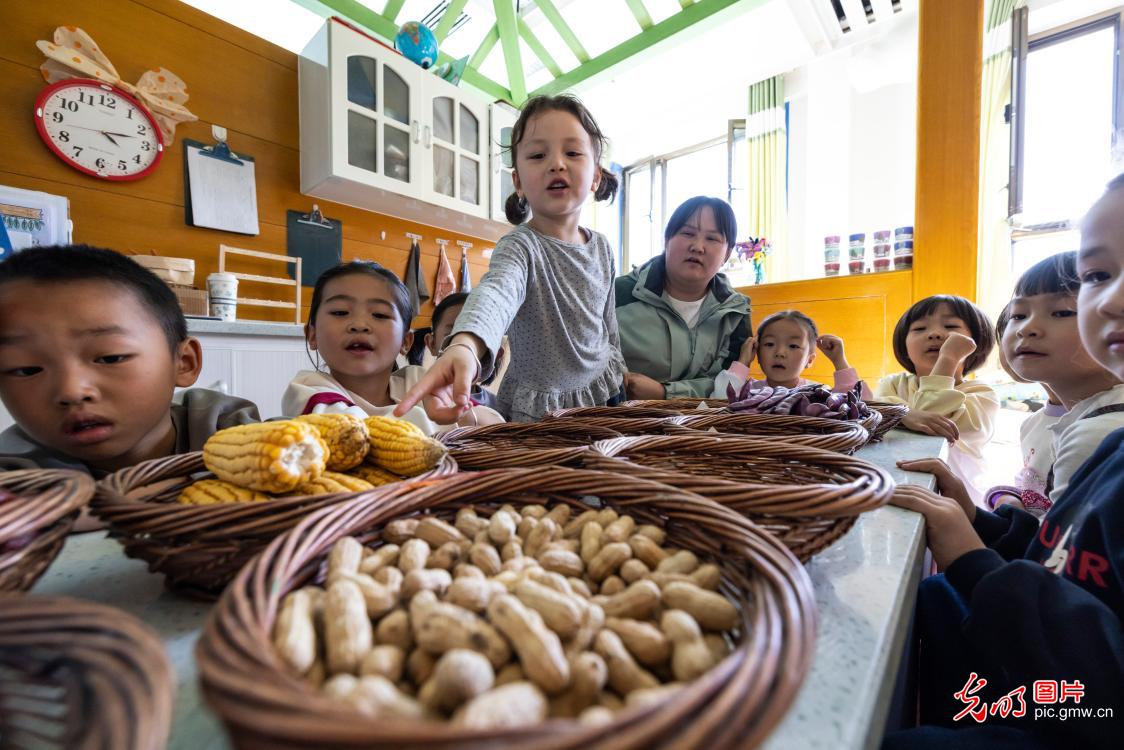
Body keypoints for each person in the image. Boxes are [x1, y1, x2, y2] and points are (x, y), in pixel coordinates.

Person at [881, 175, 1124, 750]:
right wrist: (977, 521)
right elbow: (1059, 548)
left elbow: (1098, 687)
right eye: (1098, 276)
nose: (1111, 300)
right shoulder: (1091, 436)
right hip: (1056, 665)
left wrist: (972, 558)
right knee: (935, 599)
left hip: (1085, 706)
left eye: (1060, 310)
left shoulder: (1099, 430)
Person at [395, 94, 625, 423]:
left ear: (596, 177)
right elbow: (496, 293)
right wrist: (465, 345)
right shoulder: (520, 246)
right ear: (517, 181)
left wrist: (622, 370)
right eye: (538, 155)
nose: (557, 164)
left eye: (572, 152)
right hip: (543, 411)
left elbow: (609, 326)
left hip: (606, 390)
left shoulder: (602, 247)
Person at [0, 245, 259, 477]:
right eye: (26, 369)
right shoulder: (13, 478)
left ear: (184, 362)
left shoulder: (232, 430)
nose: (72, 391)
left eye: (110, 357)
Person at [282, 262, 500, 433]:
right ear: (312, 335)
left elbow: (493, 423)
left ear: (406, 342)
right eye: (340, 312)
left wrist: (464, 413)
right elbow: (356, 436)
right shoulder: (309, 389)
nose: (359, 325)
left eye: (379, 315)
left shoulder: (417, 380)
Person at [615, 196, 750, 399]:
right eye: (687, 233)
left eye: (712, 238)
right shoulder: (618, 295)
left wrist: (664, 393)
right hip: (618, 417)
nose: (698, 247)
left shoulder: (735, 312)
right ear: (666, 240)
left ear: (727, 254)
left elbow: (728, 386)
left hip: (704, 420)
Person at [875, 295, 999, 505]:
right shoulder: (893, 383)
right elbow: (876, 414)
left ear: (975, 343)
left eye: (951, 326)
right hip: (897, 486)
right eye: (919, 328)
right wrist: (907, 414)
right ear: (904, 345)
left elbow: (931, 421)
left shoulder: (981, 393)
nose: (934, 334)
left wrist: (948, 358)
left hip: (958, 504)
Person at [709, 310, 872, 398]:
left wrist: (840, 362)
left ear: (809, 360)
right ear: (756, 353)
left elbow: (862, 403)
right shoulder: (748, 390)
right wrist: (743, 361)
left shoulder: (817, 392)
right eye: (769, 344)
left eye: (793, 346)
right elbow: (720, 399)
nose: (780, 353)